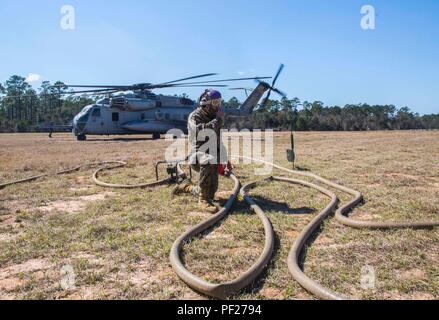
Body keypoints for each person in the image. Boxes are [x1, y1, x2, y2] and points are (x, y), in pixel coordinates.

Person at [172, 89, 230, 213]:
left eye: (219, 102)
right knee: (209, 160)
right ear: (206, 103)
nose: (218, 105)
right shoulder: (195, 116)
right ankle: (202, 200)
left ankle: (186, 188)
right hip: (197, 155)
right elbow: (201, 131)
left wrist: (224, 159)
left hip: (212, 155)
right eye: (215, 102)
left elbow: (218, 139)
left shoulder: (215, 116)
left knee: (211, 192)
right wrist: (217, 121)